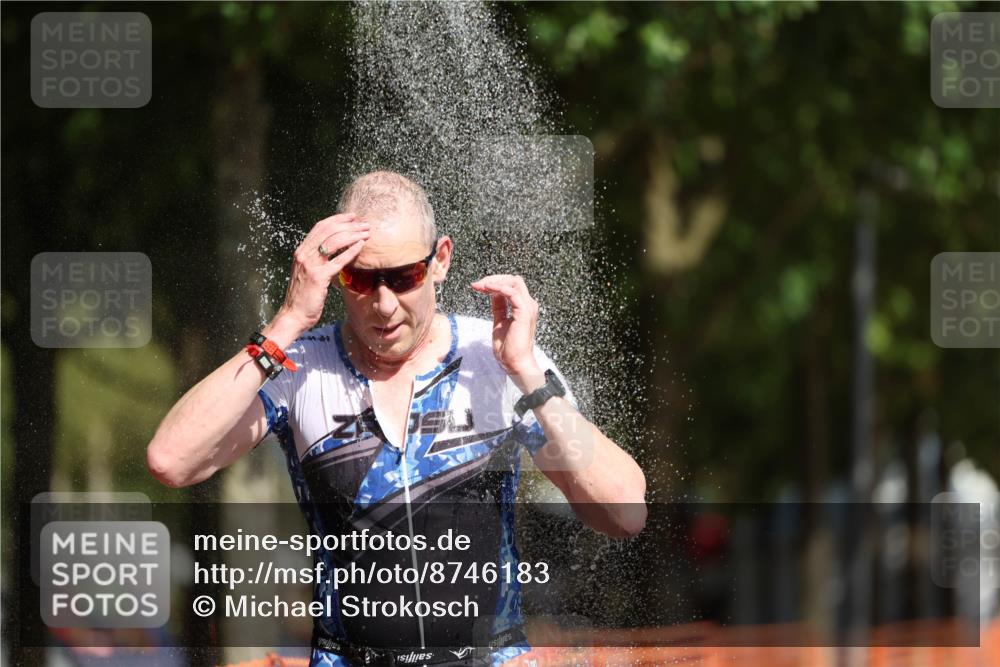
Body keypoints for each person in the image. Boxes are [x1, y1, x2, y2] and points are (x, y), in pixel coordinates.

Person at [147, 171, 647, 666]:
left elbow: (624, 514)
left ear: (440, 262)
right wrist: (287, 322)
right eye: (360, 279)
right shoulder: (298, 365)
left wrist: (527, 373)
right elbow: (172, 460)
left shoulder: (497, 359)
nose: (384, 305)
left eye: (404, 277)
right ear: (332, 273)